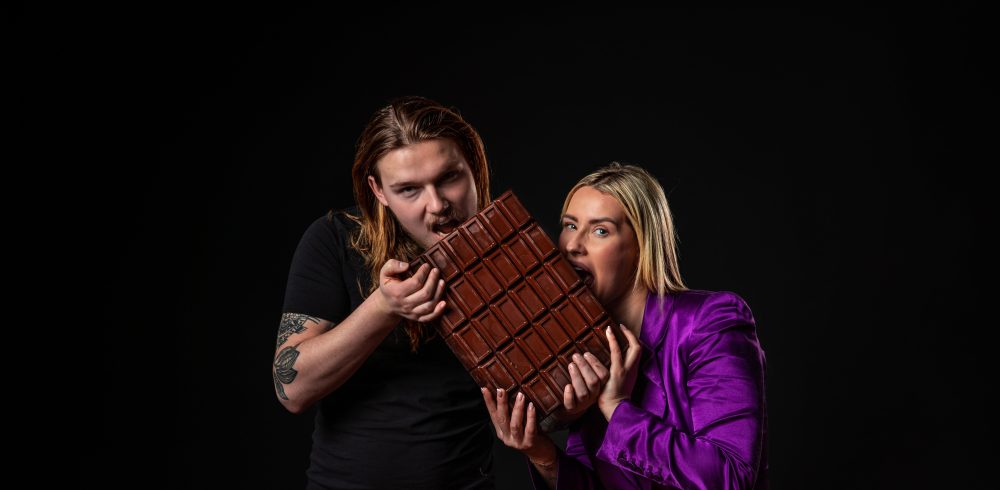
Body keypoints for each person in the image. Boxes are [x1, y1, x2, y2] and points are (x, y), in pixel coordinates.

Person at [482, 162, 769, 489]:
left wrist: (616, 408)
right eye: (570, 225)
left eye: (599, 230)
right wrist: (542, 454)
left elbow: (730, 478)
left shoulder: (712, 321)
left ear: (641, 247)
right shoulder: (586, 345)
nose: (572, 245)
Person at [274, 96, 497, 489]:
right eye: (409, 189)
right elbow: (290, 388)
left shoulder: (516, 256)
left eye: (449, 177)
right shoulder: (334, 239)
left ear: (474, 166)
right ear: (378, 190)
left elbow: (555, 408)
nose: (438, 205)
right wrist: (383, 308)